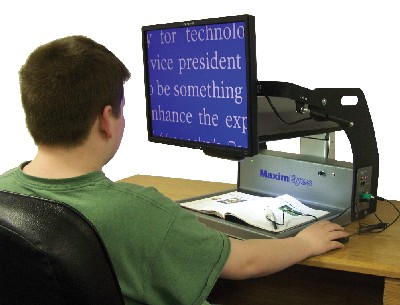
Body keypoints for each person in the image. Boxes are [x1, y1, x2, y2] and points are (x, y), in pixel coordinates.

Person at [0, 36, 349, 305]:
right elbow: (243, 262)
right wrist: (304, 243)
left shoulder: (4, 193)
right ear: (107, 120)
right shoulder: (137, 211)